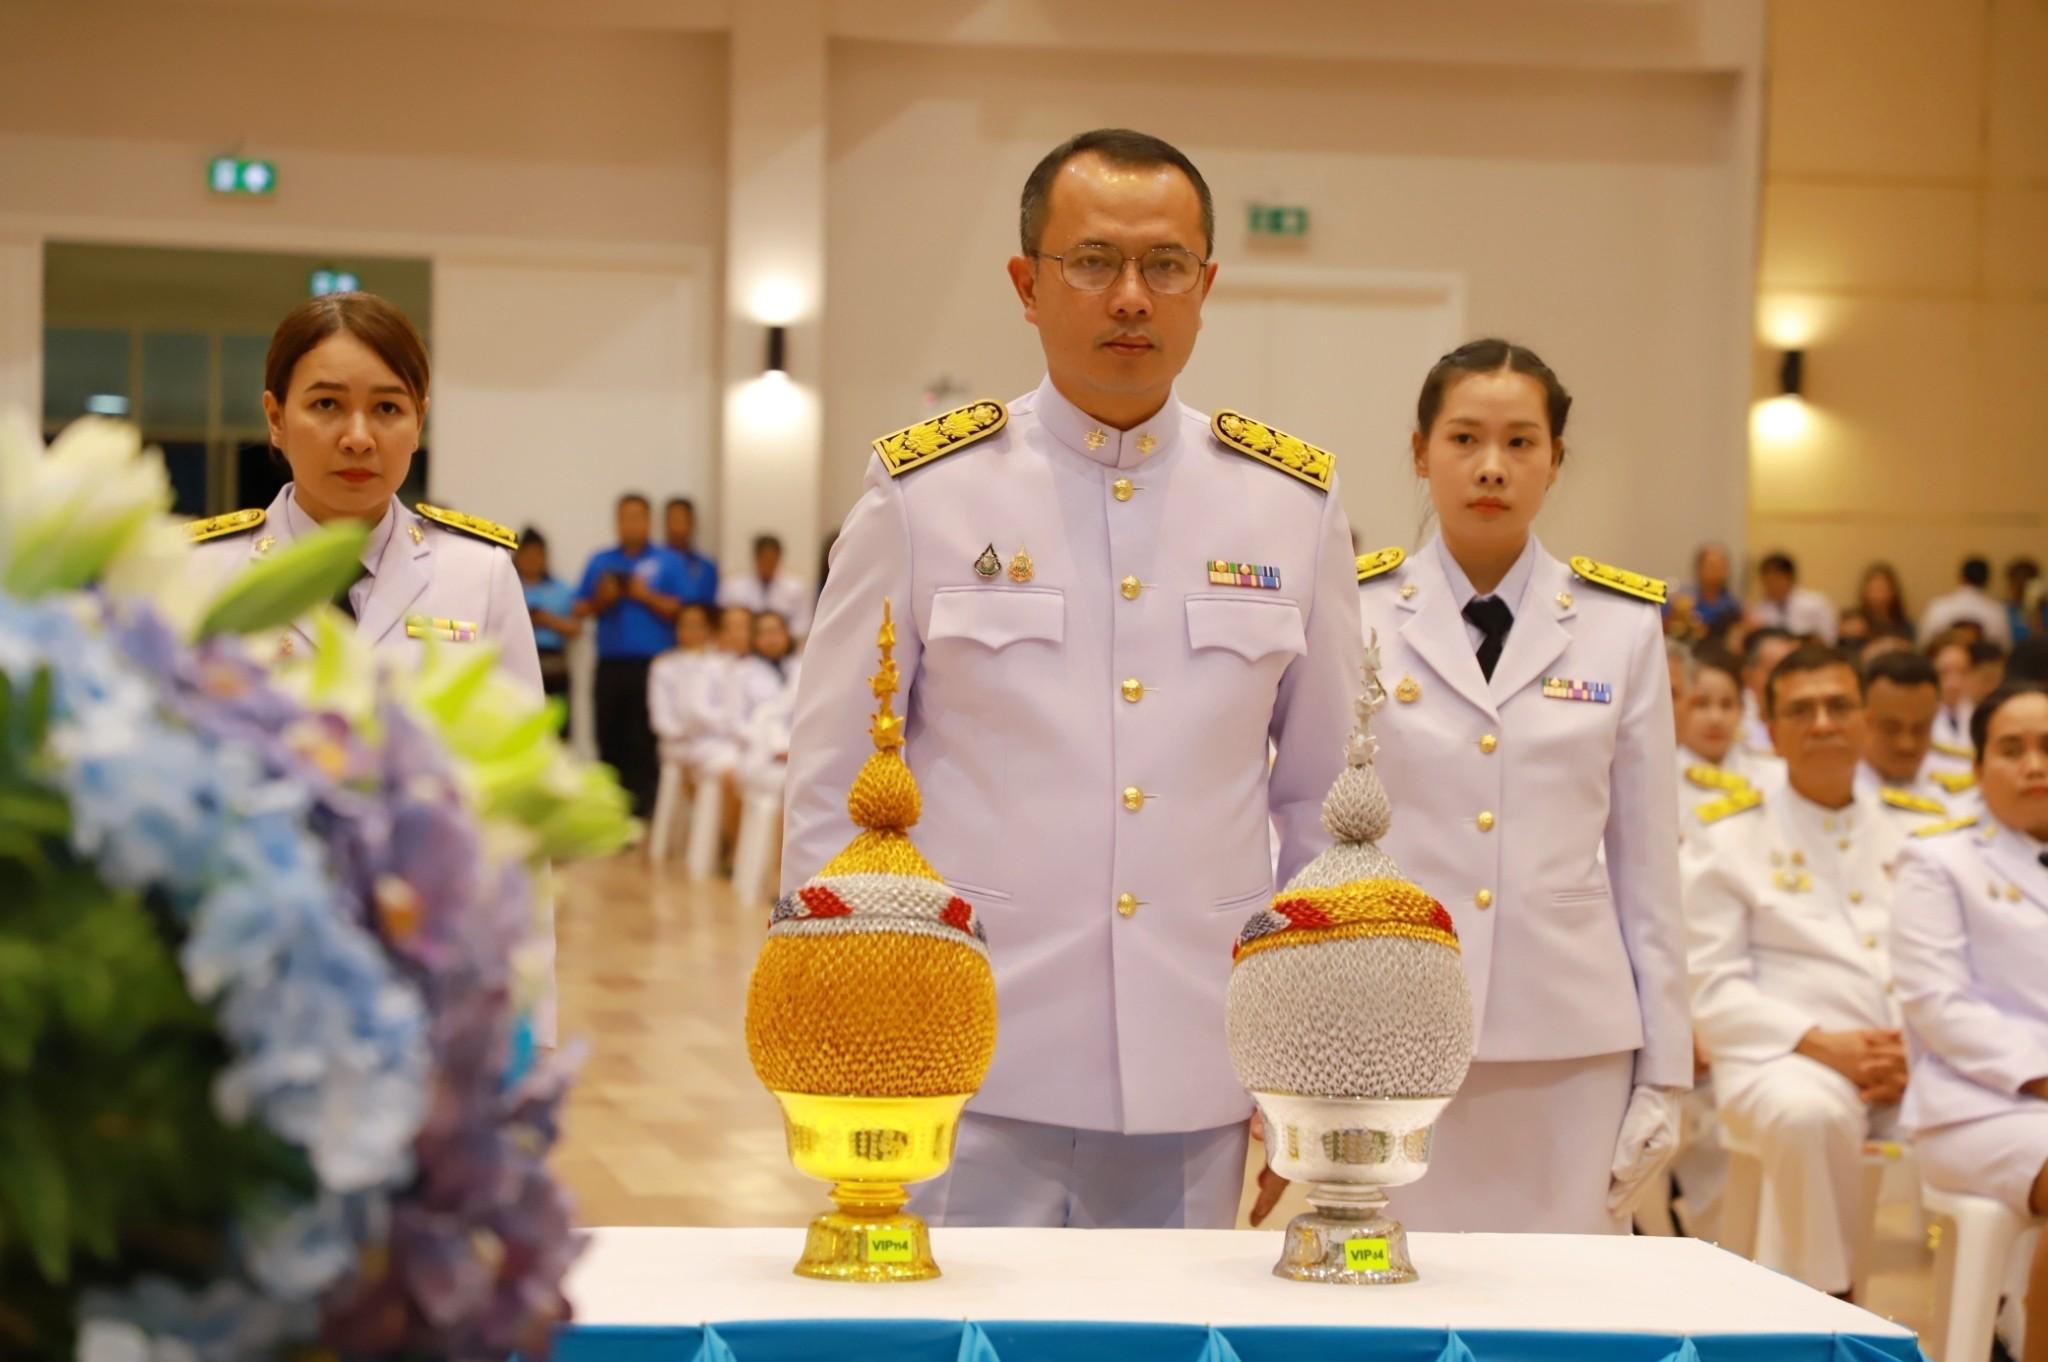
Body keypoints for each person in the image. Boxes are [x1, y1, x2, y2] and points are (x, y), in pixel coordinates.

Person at [781, 128, 1362, 1230]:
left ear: (1205, 287)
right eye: (1093, 262)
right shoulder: (926, 493)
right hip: (963, 1049)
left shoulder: (1288, 505)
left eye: (1165, 265)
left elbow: (1325, 810)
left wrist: (1308, 1060)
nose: (1131, 297)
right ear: (1026, 285)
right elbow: (833, 783)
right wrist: (840, 1022)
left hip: (1196, 1052)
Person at [1352, 338, 1689, 1234]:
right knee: (1399, 1281)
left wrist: (1667, 1072)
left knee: (1566, 1292)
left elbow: (1649, 867)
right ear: (1420, 452)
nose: (1492, 467)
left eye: (1520, 442)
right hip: (1394, 1021)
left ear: (1555, 460)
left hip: (1571, 1036)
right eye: (1464, 439)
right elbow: (1317, 835)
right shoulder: (1355, 613)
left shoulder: (1619, 627)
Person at [1683, 644, 1906, 1297]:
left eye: (1839, 707)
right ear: (1772, 732)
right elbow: (1710, 987)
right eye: (1802, 711)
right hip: (1783, 1059)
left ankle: (2008, 1316)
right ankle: (1827, 1305)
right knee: (1806, 1115)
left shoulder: (1914, 835)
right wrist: (1824, 1044)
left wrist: (1918, 1053)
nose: (1823, 723)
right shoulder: (1726, 837)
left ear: (1865, 721)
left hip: (1912, 1063)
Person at [188, 292, 541, 695]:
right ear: (276, 419)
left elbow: (525, 731)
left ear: (418, 423)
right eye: (326, 404)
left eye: (387, 408)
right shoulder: (202, 572)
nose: (358, 439)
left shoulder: (480, 574)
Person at [1892, 681, 2048, 1362]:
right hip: (1979, 1107)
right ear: (1979, 766)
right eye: (2012, 750)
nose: (2035, 765)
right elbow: (1939, 1004)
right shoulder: (1938, 857)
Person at [575, 493, 691, 817]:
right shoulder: (600, 561)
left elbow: (684, 611)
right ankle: (609, 812)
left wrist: (644, 595)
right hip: (611, 664)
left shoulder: (669, 561)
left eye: (637, 517)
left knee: (645, 741)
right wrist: (603, 598)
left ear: (649, 521)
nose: (631, 524)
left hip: (654, 666)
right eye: (624, 517)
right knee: (608, 736)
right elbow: (579, 609)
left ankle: (645, 813)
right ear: (616, 521)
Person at [1856, 649, 1976, 828]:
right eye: (1891, 729)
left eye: (1920, 729)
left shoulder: (1960, 778)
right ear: (1861, 720)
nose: (1907, 744)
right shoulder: (1836, 790)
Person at [1677, 645, 1781, 826]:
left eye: (1727, 705)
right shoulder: (1658, 780)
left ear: (1742, 709)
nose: (1715, 719)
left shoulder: (1775, 774)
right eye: (1701, 704)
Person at [517, 527, 582, 732]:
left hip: (554, 668)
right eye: (527, 554)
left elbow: (575, 627)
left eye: (538, 555)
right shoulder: (509, 586)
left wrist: (546, 619)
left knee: (556, 734)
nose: (532, 560)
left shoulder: (561, 589)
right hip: (517, 668)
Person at [719, 534, 812, 641]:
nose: (768, 564)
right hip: (743, 644)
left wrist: (777, 638)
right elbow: (725, 623)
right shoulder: (733, 587)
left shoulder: (796, 588)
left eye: (772, 559)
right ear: (756, 557)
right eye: (764, 559)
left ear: (779, 558)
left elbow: (802, 624)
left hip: (783, 645)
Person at [1923, 556, 2012, 648]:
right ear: (1987, 581)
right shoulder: (1997, 611)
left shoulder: (1938, 607)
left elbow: (1924, 645)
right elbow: (2005, 648)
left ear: (1961, 577)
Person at [1751, 551, 1837, 645]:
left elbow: (1829, 639)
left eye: (1776, 578)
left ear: (1790, 577)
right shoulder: (1759, 611)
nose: (1772, 585)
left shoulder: (1816, 603)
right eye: (1767, 580)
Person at [1739, 627, 1799, 758]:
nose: (1784, 681)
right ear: (1747, 675)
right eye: (1775, 671)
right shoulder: (1732, 727)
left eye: (1792, 672)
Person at [1669, 543, 1743, 640]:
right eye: (1712, 566)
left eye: (1722, 566)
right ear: (1699, 569)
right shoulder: (1683, 598)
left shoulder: (1732, 604)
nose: (1717, 571)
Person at [663, 495, 720, 608]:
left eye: (681, 520)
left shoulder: (706, 567)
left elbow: (707, 605)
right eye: (672, 520)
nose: (676, 527)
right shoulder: (654, 563)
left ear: (692, 523)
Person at [1847, 562, 1913, 643]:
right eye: (1873, 589)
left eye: (1882, 589)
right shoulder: (1856, 623)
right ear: (1865, 592)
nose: (1877, 595)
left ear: (1893, 591)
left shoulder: (1906, 627)